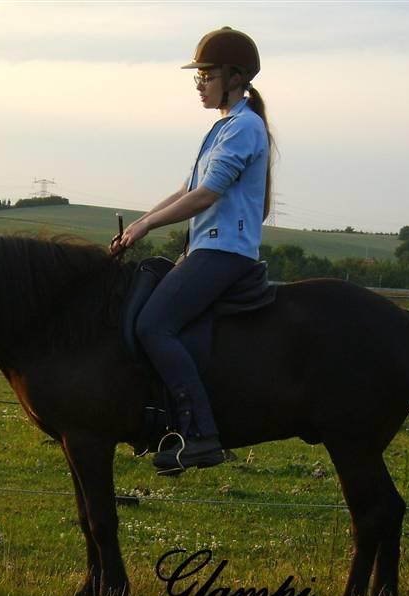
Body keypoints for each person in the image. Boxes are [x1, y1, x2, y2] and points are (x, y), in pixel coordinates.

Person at [111, 26, 273, 474]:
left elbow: (207, 195)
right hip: (206, 248)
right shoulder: (221, 129)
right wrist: (138, 225)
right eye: (197, 76)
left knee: (154, 324)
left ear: (235, 77)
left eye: (206, 75)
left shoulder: (244, 127)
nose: (199, 84)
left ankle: (201, 433)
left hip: (225, 252)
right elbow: (186, 189)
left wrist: (146, 226)